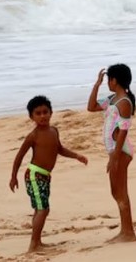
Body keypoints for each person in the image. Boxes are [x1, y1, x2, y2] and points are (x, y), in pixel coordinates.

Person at [9, 95, 89, 253]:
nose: (42, 116)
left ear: (51, 112)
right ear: (31, 117)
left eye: (45, 112)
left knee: (40, 209)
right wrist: (13, 177)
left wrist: (77, 156)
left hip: (45, 176)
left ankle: (37, 241)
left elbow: (59, 149)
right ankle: (34, 245)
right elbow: (19, 156)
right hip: (34, 175)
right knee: (43, 210)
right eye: (38, 113)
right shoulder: (33, 136)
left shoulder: (54, 131)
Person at [87, 64, 136, 243]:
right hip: (114, 152)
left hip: (120, 151)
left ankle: (128, 232)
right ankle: (126, 229)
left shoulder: (124, 103)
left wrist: (115, 156)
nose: (108, 82)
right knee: (115, 191)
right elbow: (91, 107)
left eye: (108, 80)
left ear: (115, 80)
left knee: (120, 191)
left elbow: (123, 131)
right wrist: (97, 84)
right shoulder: (113, 99)